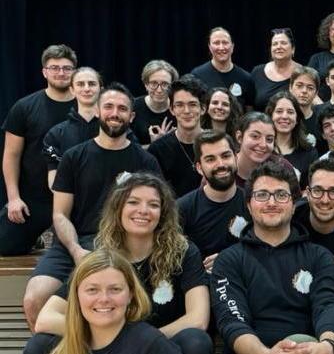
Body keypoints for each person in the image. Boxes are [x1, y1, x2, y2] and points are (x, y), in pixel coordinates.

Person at [23, 83, 161, 331]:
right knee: (35, 299)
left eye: (122, 108)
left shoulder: (146, 161)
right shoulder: (74, 157)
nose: (114, 113)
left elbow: (153, 215)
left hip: (123, 245)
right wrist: (76, 250)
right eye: (108, 106)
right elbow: (60, 214)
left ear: (132, 116)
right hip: (73, 242)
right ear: (97, 110)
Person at [27, 173, 212, 354]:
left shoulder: (183, 252)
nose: (143, 210)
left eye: (154, 204)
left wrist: (142, 340)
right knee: (40, 343)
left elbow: (198, 319)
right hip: (104, 343)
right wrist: (110, 337)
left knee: (195, 341)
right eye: (133, 202)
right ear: (118, 208)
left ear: (163, 213)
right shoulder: (102, 255)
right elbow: (45, 319)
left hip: (158, 345)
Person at [210, 161, 334, 354]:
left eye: (281, 195)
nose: (271, 203)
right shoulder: (229, 260)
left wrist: (327, 345)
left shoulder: (319, 257)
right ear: (248, 205)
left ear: (294, 205)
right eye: (262, 195)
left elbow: (329, 304)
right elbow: (232, 319)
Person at [26, 248, 182, 354]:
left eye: (115, 289)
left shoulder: (151, 345)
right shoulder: (57, 347)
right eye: (92, 290)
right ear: (76, 296)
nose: (104, 299)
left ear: (130, 295)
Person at [1, 44, 77, 256]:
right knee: (5, 246)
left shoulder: (87, 107)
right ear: (44, 72)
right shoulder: (24, 107)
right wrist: (14, 198)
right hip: (34, 197)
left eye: (66, 68)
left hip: (76, 198)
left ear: (74, 72)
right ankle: (37, 238)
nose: (61, 73)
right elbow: (11, 155)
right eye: (54, 68)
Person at [178, 131, 251, 269]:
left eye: (226, 156)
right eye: (211, 159)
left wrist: (229, 259)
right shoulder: (182, 209)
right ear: (199, 168)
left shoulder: (253, 204)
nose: (220, 164)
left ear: (236, 158)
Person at [43, 67, 103, 188]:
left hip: (110, 204)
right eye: (80, 84)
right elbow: (54, 182)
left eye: (91, 84)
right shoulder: (56, 134)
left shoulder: (116, 128)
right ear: (72, 90)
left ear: (101, 90)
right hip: (71, 204)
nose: (86, 89)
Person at [148, 75, 206, 197]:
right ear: (172, 110)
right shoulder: (157, 149)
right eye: (179, 105)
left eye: (192, 104)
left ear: (203, 109)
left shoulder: (217, 144)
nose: (186, 111)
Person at [191, 27, 254, 110]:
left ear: (232, 47)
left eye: (225, 42)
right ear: (210, 47)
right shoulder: (197, 75)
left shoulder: (246, 78)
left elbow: (249, 112)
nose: (221, 47)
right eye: (216, 43)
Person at [264, 91, 318, 189]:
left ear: (297, 119)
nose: (285, 116)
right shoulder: (261, 149)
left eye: (290, 112)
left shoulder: (309, 153)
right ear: (270, 116)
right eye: (279, 111)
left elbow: (311, 189)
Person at [232, 112, 295, 190]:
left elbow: (296, 201)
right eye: (255, 136)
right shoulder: (225, 167)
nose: (263, 145)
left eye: (269, 139)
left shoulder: (283, 167)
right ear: (239, 137)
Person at [250, 28, 301, 111]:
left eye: (283, 43)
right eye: (275, 44)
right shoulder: (257, 71)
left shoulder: (303, 73)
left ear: (293, 49)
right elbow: (249, 105)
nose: (278, 47)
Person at [131, 60, 179, 147]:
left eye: (165, 84)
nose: (159, 90)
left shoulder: (179, 108)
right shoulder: (132, 107)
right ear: (146, 85)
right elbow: (127, 149)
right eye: (153, 83)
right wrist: (155, 145)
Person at [289, 66, 323, 144]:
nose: (304, 91)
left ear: (316, 93)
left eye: (310, 88)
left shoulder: (321, 120)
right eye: (299, 86)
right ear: (290, 88)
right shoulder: (283, 119)